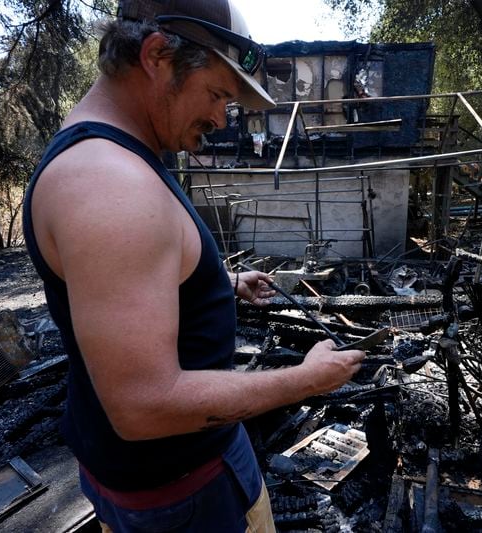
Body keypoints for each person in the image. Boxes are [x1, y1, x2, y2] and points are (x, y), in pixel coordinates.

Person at [21, 0, 365, 531]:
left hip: (153, 478)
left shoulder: (102, 160)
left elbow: (118, 288)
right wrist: (306, 380)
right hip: (184, 494)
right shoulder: (111, 184)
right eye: (218, 93)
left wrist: (220, 283)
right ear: (158, 55)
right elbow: (145, 405)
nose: (220, 119)